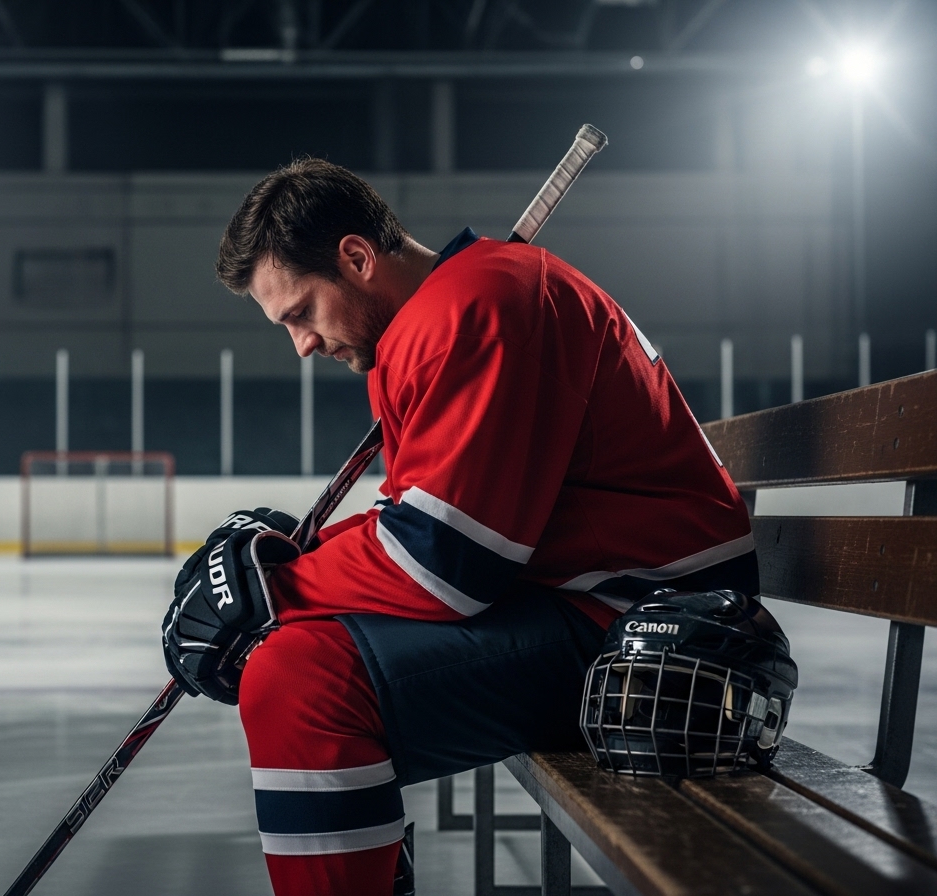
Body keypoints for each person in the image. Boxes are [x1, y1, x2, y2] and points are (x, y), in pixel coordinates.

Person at [162, 158, 757, 896]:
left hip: (656, 632)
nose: (302, 345)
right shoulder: (448, 314)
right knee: (295, 654)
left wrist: (274, 589)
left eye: (301, 313)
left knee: (301, 679)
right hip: (589, 600)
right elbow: (420, 523)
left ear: (356, 257)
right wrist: (289, 561)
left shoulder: (479, 306)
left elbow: (444, 568)